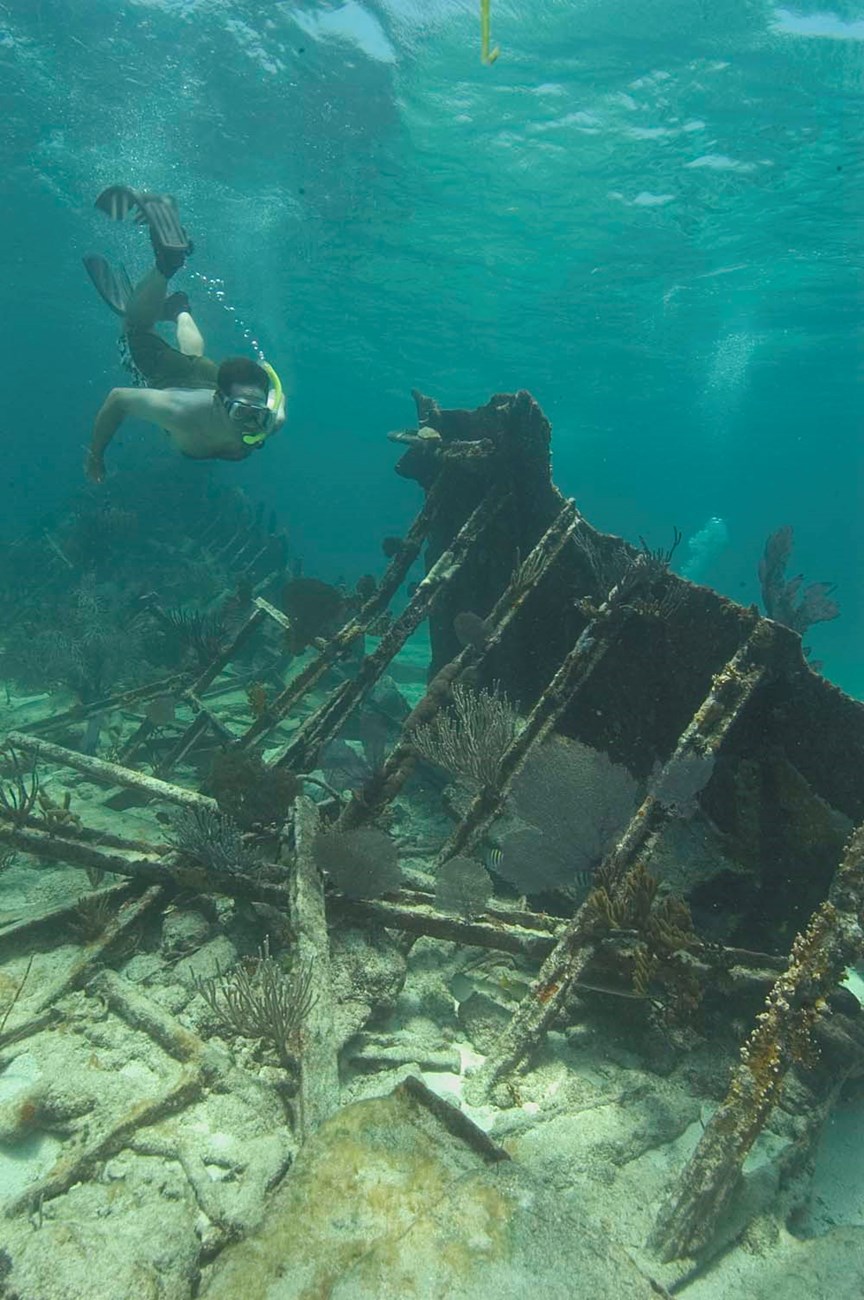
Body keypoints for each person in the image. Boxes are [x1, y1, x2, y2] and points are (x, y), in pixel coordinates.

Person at [83, 186, 285, 484]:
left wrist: (263, 413)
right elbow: (118, 399)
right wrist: (95, 457)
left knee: (195, 358)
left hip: (205, 377)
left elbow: (276, 406)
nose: (252, 423)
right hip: (170, 379)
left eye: (258, 414)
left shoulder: (271, 420)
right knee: (134, 330)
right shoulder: (177, 411)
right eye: (242, 413)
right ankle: (166, 266)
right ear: (219, 401)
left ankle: (180, 308)